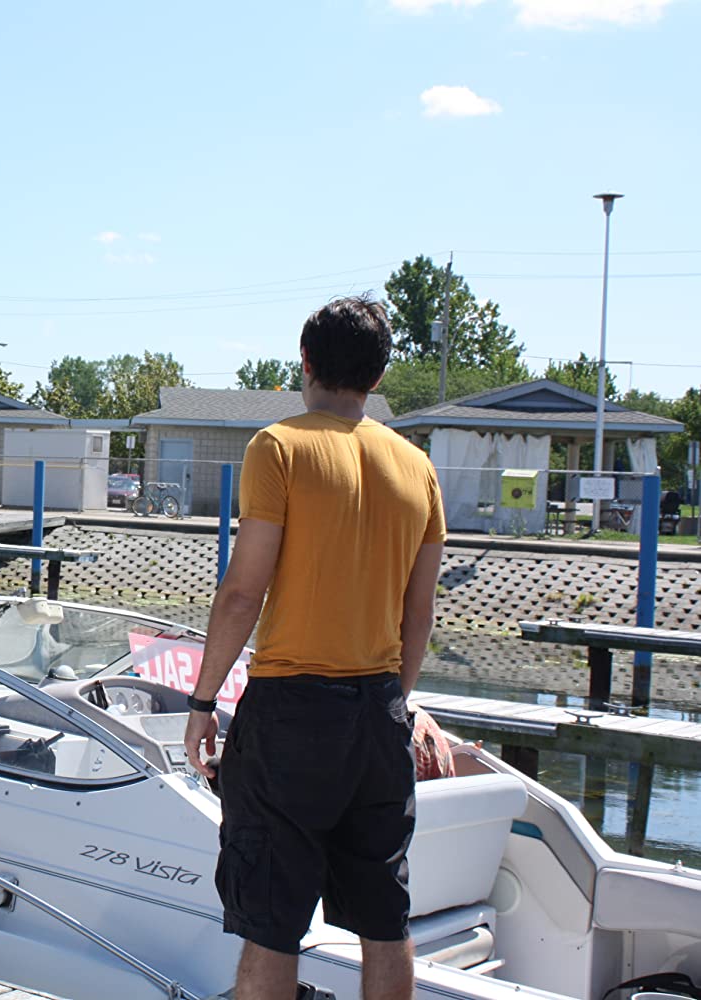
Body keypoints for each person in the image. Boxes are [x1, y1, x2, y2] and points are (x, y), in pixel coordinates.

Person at [183, 295, 445, 1000]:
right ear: (378, 375)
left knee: (272, 922)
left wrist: (202, 702)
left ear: (305, 360)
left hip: (292, 713)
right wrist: (396, 702)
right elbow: (419, 612)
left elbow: (243, 592)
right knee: (384, 919)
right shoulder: (416, 467)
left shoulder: (278, 447)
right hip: (379, 712)